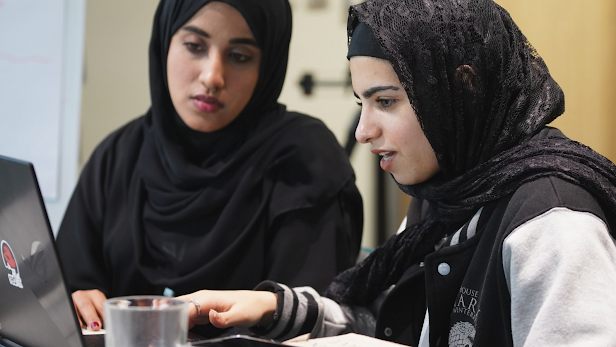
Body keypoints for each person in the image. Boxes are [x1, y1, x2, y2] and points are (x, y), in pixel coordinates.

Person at [177, 0, 616, 345]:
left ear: (462, 88)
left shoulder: (553, 223)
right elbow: (391, 321)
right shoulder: (445, 196)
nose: (364, 131)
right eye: (361, 104)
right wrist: (272, 308)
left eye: (385, 101)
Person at [55, 0, 363, 332]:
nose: (212, 77)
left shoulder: (305, 162)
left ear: (268, 64)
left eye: (239, 56)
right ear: (165, 42)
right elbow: (68, 290)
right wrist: (72, 306)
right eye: (194, 46)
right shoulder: (118, 156)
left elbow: (311, 324)